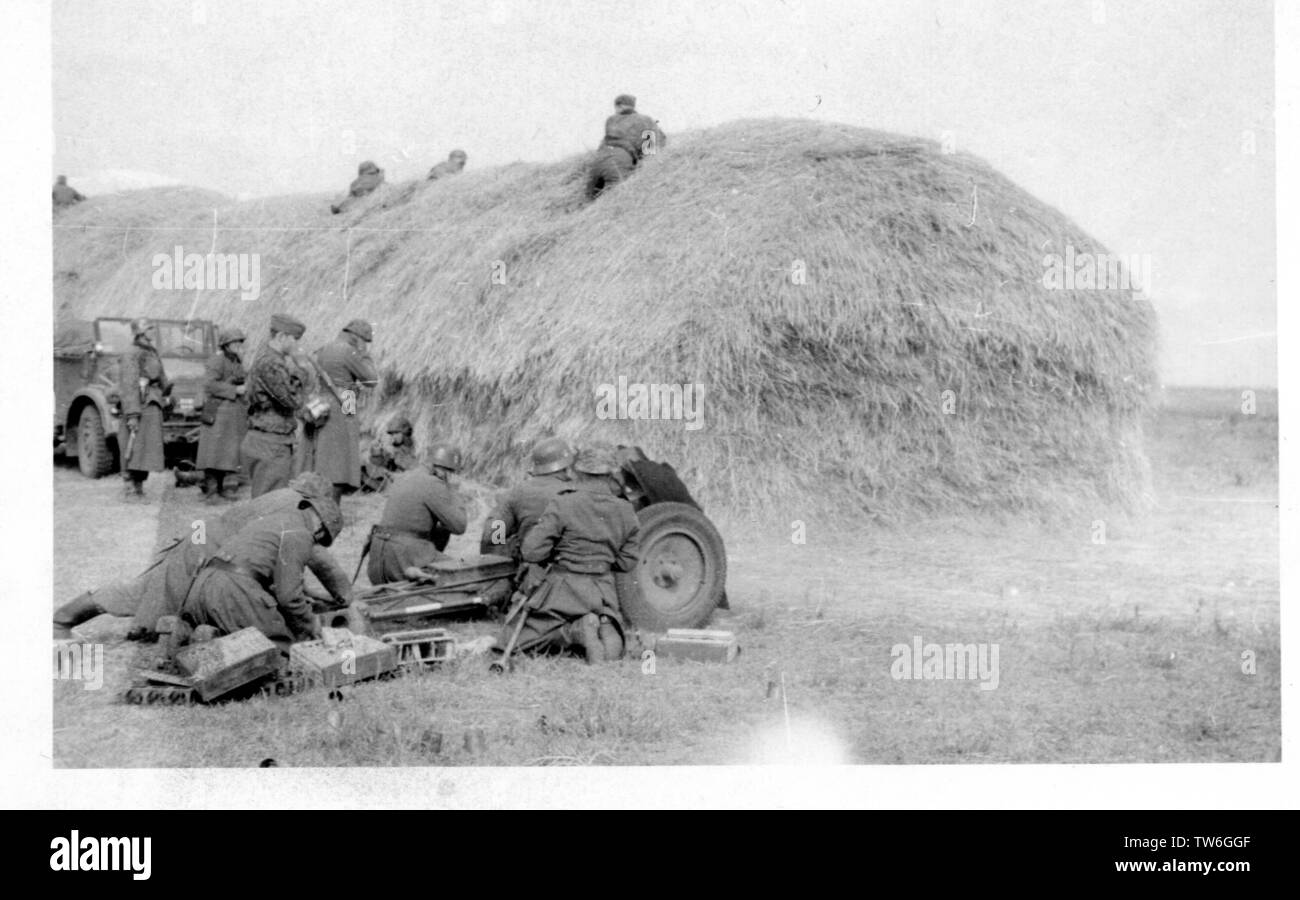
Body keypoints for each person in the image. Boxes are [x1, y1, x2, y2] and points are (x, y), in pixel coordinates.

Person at [53, 472, 353, 640]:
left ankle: (64, 619)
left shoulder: (282, 497)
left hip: (204, 543)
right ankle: (61, 620)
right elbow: (321, 565)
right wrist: (345, 597)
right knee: (140, 595)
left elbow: (278, 571)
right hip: (207, 553)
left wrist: (309, 593)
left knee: (147, 592)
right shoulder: (300, 515)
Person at [512, 446, 640, 663]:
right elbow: (627, 562)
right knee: (608, 630)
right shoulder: (626, 510)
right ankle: (606, 623)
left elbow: (531, 551)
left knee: (517, 641)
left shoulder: (563, 502)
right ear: (612, 475)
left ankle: (575, 631)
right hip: (602, 593)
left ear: (577, 472)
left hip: (562, 591)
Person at [181, 493, 343, 656]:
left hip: (203, 586)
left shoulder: (273, 520)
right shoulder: (300, 534)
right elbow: (289, 597)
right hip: (233, 592)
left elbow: (262, 570)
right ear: (321, 530)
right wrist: (311, 623)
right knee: (280, 652)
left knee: (232, 642)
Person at [480, 436, 574, 597]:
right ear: (566, 467)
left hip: (531, 575)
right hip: (572, 576)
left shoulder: (519, 492)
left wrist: (505, 550)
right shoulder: (576, 491)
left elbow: (491, 534)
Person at [365, 442, 467, 584]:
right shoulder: (433, 484)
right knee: (465, 575)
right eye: (452, 473)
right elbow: (459, 526)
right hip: (403, 558)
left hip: (378, 558)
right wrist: (453, 491)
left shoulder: (405, 476)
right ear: (444, 471)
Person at [300, 319, 378, 504]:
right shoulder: (347, 350)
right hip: (345, 401)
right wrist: (365, 355)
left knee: (326, 456)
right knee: (340, 459)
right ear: (355, 337)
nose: (364, 345)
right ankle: (331, 505)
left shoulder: (325, 348)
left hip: (325, 400)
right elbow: (371, 380)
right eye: (364, 341)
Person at [240, 314, 307, 497]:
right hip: (271, 443)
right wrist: (301, 368)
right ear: (281, 337)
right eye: (295, 340)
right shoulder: (271, 363)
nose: (297, 346)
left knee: (266, 499)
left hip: (266, 439)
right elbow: (294, 401)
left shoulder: (266, 358)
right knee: (269, 503)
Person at [117, 318, 172, 500]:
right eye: (149, 328)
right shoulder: (131, 353)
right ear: (140, 332)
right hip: (139, 405)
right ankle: (130, 487)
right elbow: (129, 384)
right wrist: (132, 414)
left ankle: (139, 485)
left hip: (153, 402)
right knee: (132, 447)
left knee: (146, 448)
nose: (152, 331)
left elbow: (161, 376)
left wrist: (167, 392)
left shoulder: (151, 351)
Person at [196, 327, 248, 503]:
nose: (238, 345)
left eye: (240, 342)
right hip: (218, 412)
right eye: (234, 342)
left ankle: (224, 488)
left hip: (232, 414)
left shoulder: (236, 361)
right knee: (213, 454)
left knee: (228, 453)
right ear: (225, 344)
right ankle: (211, 492)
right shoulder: (217, 360)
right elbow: (209, 384)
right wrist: (235, 389)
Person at [585, 94, 667, 199]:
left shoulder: (611, 120)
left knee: (589, 201)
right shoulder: (645, 120)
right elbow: (650, 150)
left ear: (619, 106)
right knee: (615, 200)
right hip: (619, 161)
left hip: (597, 162)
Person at [360, 416, 419, 492]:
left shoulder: (419, 447)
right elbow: (381, 462)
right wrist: (376, 454)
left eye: (396, 433)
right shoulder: (395, 449)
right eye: (392, 434)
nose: (393, 437)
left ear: (406, 432)